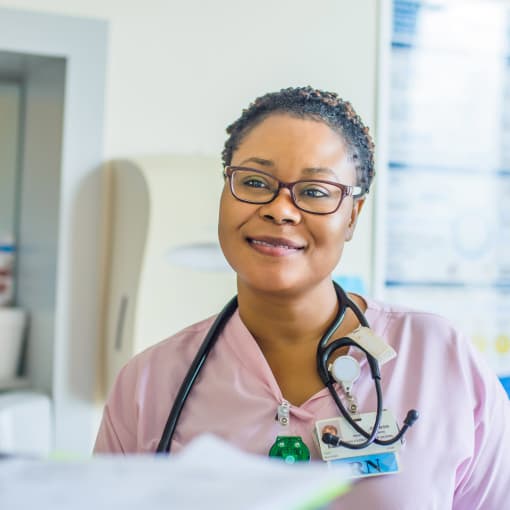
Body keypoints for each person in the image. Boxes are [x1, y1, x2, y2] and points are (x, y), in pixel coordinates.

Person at [95, 86, 510, 508]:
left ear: (353, 215)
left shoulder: (439, 357)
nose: (281, 209)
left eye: (314, 191)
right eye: (255, 182)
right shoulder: (148, 384)